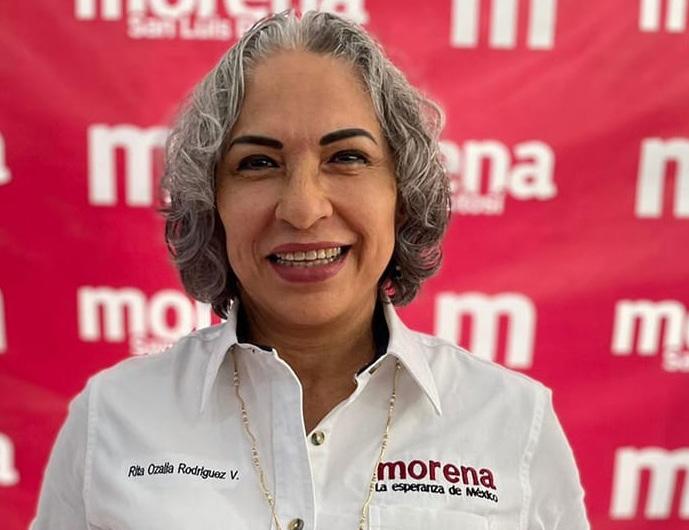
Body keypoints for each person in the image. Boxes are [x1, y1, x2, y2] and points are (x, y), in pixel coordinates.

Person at [32, 10, 589, 530]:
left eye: (346, 157)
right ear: (211, 202)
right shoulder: (114, 416)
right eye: (258, 163)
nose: (302, 208)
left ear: (402, 192)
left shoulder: (513, 423)